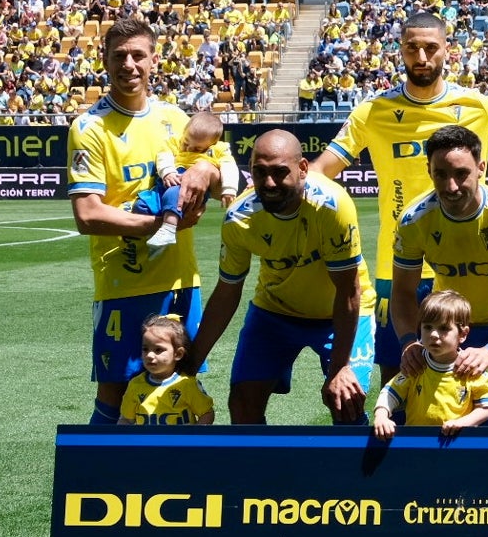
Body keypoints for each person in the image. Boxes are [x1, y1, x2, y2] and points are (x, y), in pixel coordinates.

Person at [310, 12, 488, 387]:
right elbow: (321, 170)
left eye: (431, 48)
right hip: (399, 268)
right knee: (400, 374)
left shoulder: (479, 106)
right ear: (400, 51)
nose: (421, 57)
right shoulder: (373, 112)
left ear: (447, 50)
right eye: (412, 48)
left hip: (467, 266)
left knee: (477, 379)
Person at [67, 17, 219, 426]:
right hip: (123, 283)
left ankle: (181, 485)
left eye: (138, 55)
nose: (129, 65)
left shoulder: (173, 117)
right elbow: (88, 214)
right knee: (115, 394)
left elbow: (220, 171)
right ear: (105, 61)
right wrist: (164, 225)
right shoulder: (89, 128)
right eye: (119, 56)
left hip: (179, 282)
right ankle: (96, 484)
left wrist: (205, 171)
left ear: (154, 60)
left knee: (181, 389)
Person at [186, 130, 376, 425]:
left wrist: (339, 368)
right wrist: (191, 366)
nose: (269, 183)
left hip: (340, 311)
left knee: (346, 401)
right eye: (260, 172)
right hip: (276, 312)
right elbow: (227, 293)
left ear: (302, 169)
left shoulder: (332, 206)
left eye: (279, 172)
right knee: (242, 404)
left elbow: (348, 291)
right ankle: (259, 471)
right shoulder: (239, 218)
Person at [391, 126, 488, 426]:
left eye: (461, 174)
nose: (450, 186)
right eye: (440, 174)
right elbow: (403, 293)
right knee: (450, 419)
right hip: (448, 327)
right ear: (429, 171)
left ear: (481, 168)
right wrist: (410, 343)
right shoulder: (413, 221)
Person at [373, 290, 488, 439]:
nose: (433, 334)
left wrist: (464, 422)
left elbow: (486, 407)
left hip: (456, 443)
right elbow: (390, 392)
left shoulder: (470, 367)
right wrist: (381, 415)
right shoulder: (417, 364)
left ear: (463, 334)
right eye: (428, 327)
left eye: (443, 328)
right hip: (417, 443)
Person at [146, 111, 240, 249]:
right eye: (186, 143)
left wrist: (229, 189)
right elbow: (164, 156)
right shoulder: (175, 141)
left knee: (174, 195)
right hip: (170, 177)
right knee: (143, 204)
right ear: (184, 131)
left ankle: (169, 228)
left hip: (190, 183)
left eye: (197, 149)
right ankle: (154, 242)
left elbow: (229, 166)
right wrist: (167, 172)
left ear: (211, 144)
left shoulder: (218, 149)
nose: (189, 148)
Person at [119, 314, 214, 425]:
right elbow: (126, 420)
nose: (149, 355)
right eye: (145, 349)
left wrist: (193, 439)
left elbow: (207, 413)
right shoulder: (135, 385)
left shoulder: (187, 384)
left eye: (158, 349)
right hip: (146, 443)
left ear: (178, 354)